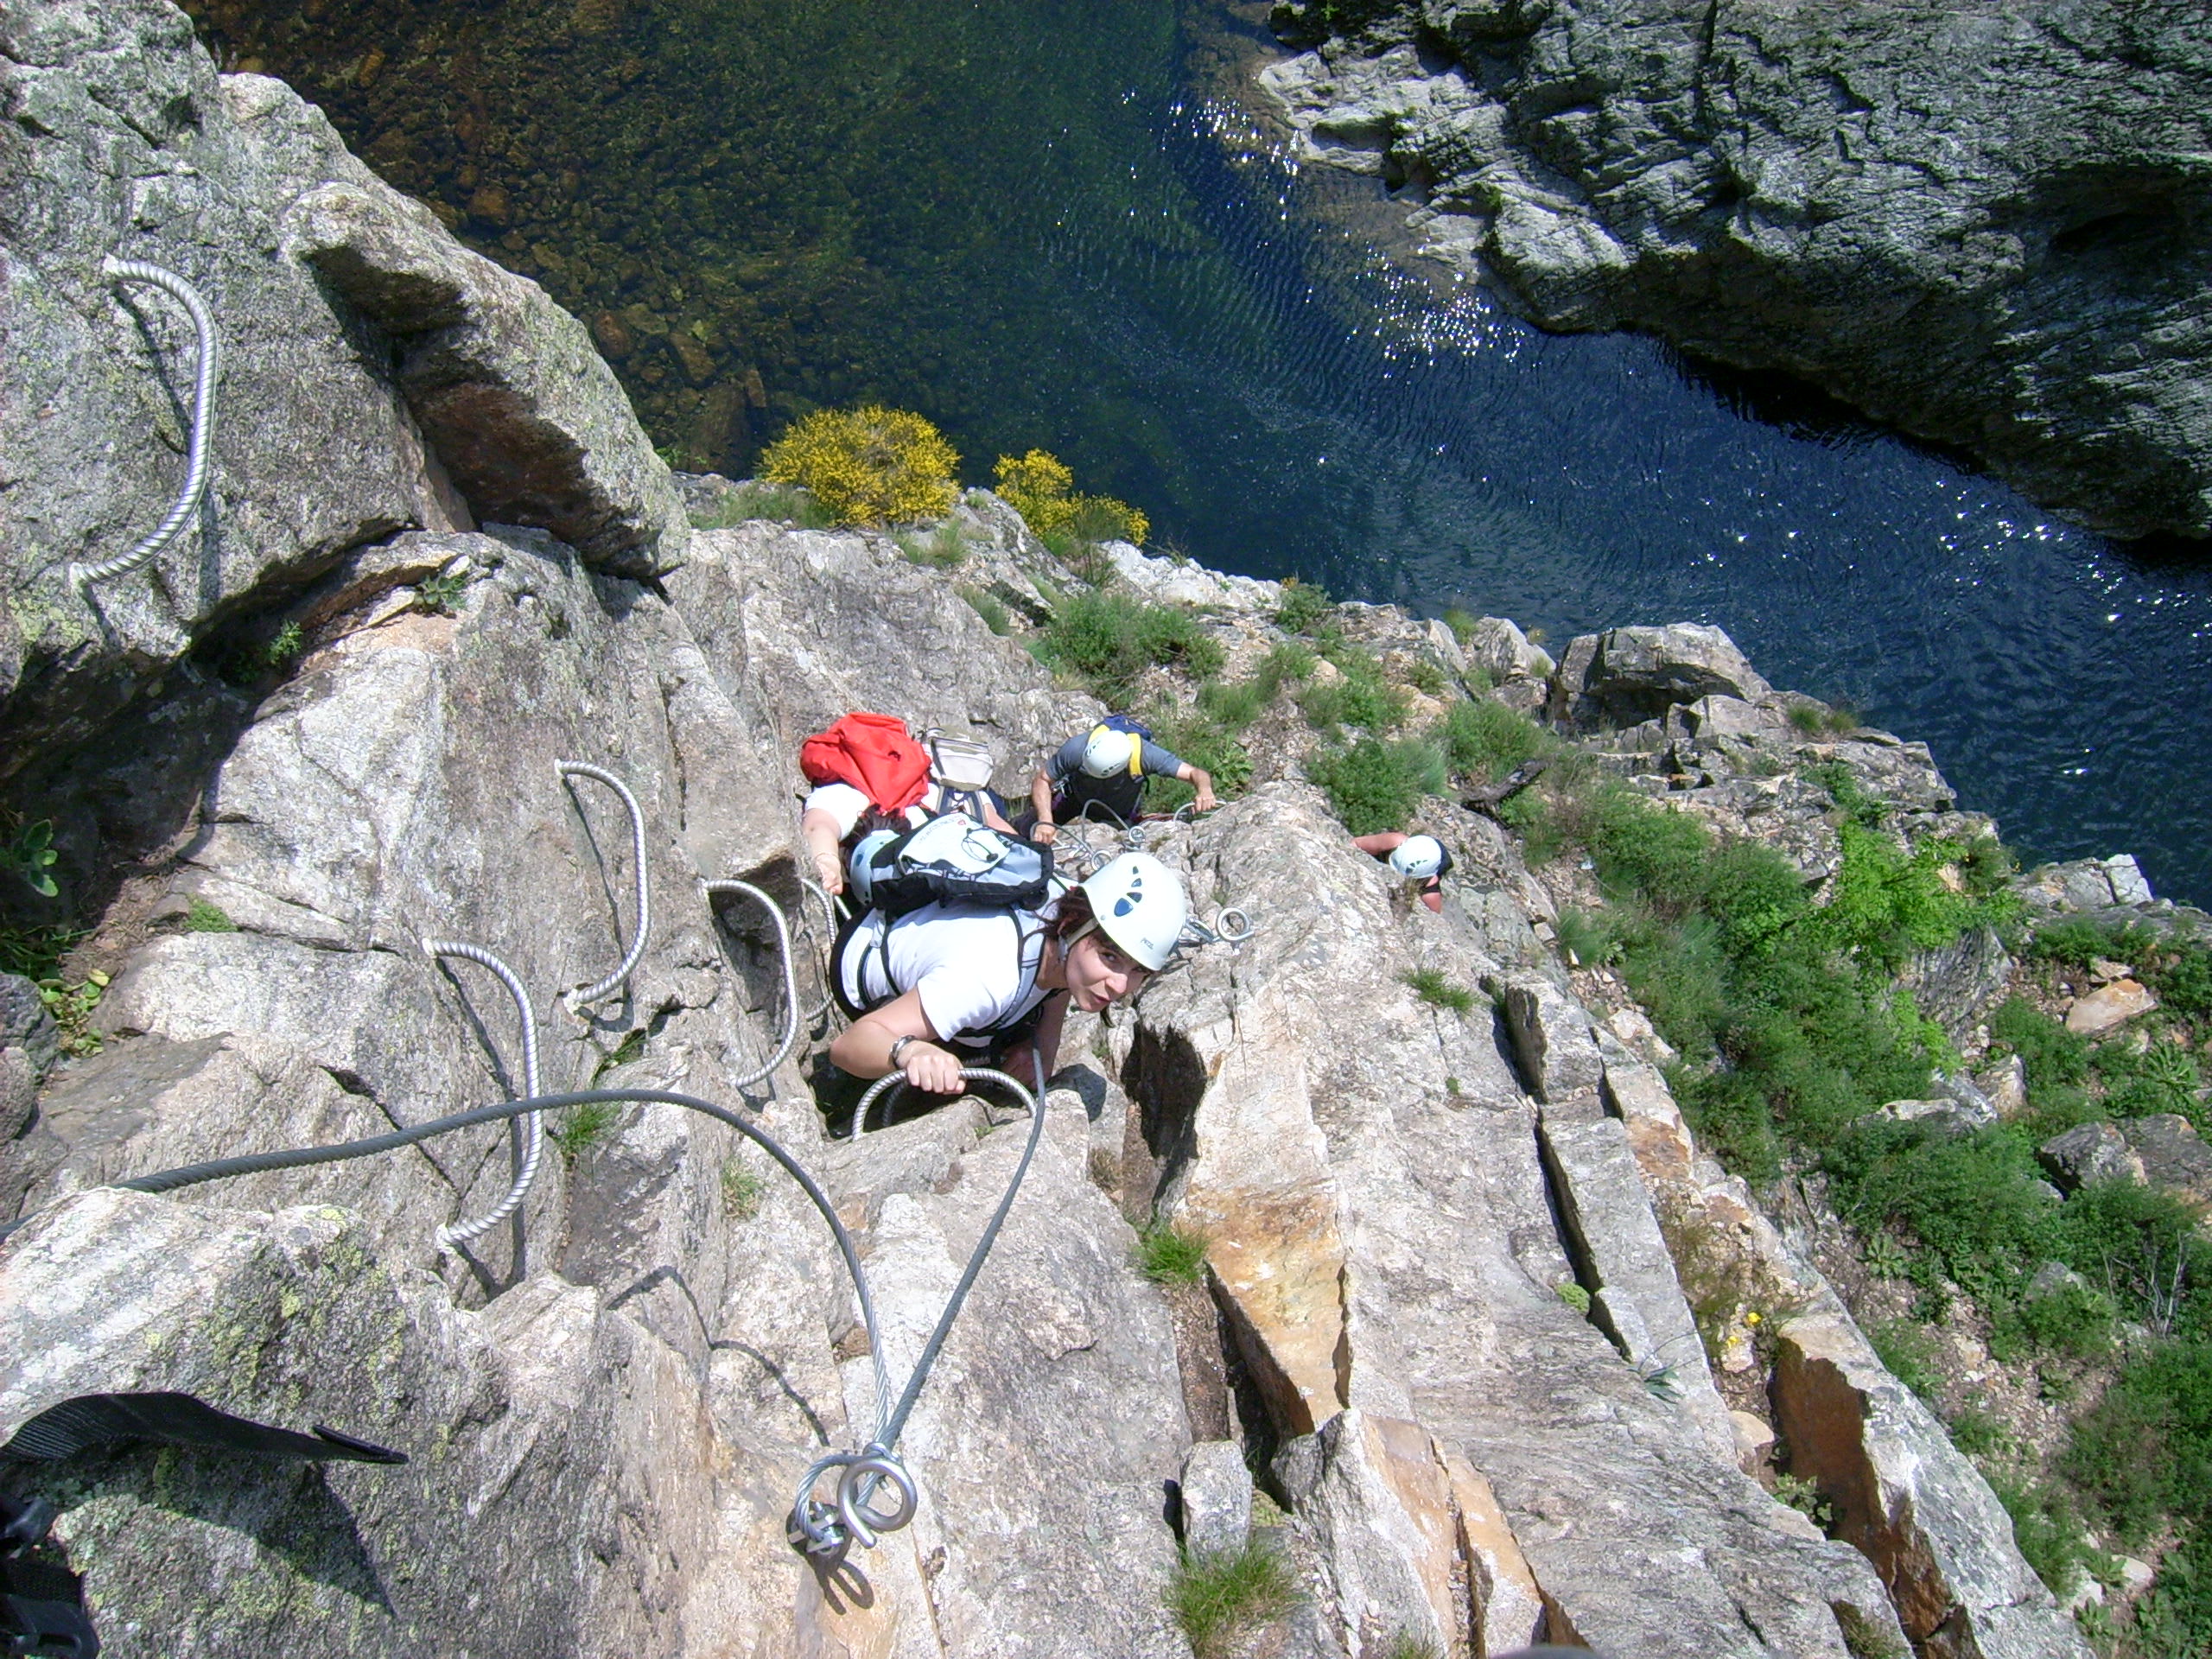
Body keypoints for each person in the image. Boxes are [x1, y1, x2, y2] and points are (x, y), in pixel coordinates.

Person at [829, 851, 1188, 1094]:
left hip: (924, 935)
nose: (1121, 985)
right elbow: (847, 1047)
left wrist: (1045, 1049)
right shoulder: (985, 981)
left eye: (1138, 970)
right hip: (861, 964)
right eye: (1110, 957)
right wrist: (910, 1053)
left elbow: (1060, 976)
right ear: (1070, 926)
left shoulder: (1067, 910)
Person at [802, 768, 1015, 898]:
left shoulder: (839, 795)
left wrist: (827, 861)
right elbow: (1009, 837)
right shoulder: (934, 794)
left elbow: (818, 826)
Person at [1025, 721, 1217, 844]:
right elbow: (1043, 779)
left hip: (1117, 814)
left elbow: (1195, 773)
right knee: (1027, 830)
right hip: (1074, 799)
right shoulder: (1077, 748)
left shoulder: (1146, 755)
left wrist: (1205, 789)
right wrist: (1045, 820)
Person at [1355, 830, 1452, 913]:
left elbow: (1435, 916)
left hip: (1435, 859)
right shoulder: (1394, 841)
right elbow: (1355, 843)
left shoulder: (1430, 890)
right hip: (1422, 847)